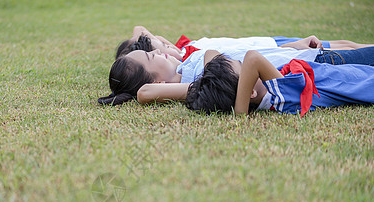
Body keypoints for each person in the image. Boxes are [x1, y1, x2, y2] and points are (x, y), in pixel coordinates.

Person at [98, 45, 374, 107]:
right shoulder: (203, 84)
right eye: (151, 56)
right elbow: (145, 93)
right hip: (310, 64)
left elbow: (213, 54)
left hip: (306, 60)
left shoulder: (193, 70)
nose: (157, 51)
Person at [185, 50, 374, 116]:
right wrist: (240, 111)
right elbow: (253, 58)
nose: (246, 65)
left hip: (356, 72)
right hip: (364, 81)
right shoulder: (280, 98)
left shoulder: (274, 91)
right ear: (249, 92)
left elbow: (212, 53)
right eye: (245, 73)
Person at [116, 26, 374, 65]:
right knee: (346, 49)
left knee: (347, 43)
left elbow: (140, 28)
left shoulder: (183, 47)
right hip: (276, 50)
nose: (164, 45)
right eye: (157, 50)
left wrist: (149, 43)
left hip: (271, 43)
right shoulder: (188, 58)